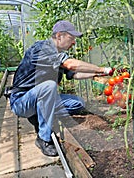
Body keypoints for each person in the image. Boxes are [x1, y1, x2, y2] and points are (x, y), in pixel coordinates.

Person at [9, 20, 112, 157]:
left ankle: (43, 115)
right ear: (59, 36)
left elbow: (75, 74)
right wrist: (102, 68)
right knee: (49, 86)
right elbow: (70, 65)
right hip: (22, 101)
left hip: (39, 98)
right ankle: (44, 139)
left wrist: (100, 73)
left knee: (77, 103)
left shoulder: (56, 55)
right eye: (71, 38)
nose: (74, 42)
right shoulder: (42, 48)